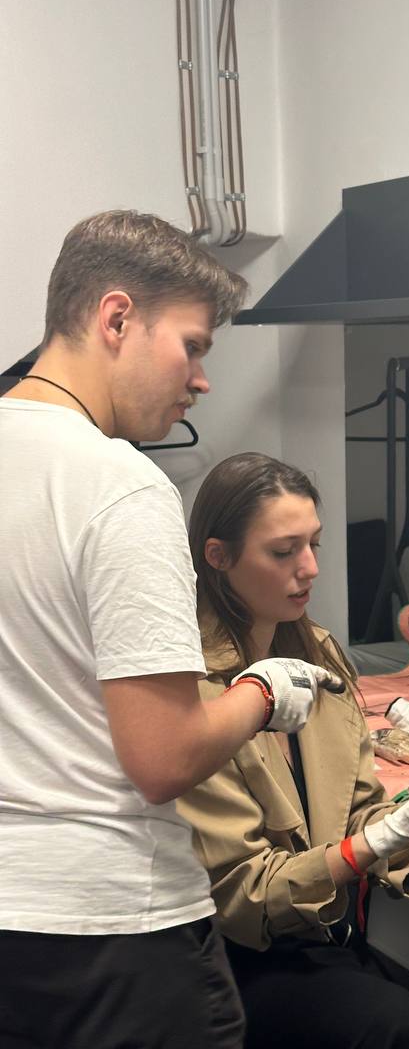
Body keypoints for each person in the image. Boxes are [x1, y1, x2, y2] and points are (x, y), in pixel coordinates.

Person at [0, 211, 341, 1049]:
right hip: (113, 929)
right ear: (116, 318)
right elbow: (162, 760)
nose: (202, 380)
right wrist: (265, 691)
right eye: (192, 347)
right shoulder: (120, 486)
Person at [178, 451, 409, 1049]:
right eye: (283, 552)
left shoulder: (319, 657)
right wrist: (376, 842)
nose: (310, 568)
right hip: (230, 960)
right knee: (398, 1026)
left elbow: (357, 810)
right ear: (218, 556)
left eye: (314, 544)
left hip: (323, 942)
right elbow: (246, 897)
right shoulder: (193, 693)